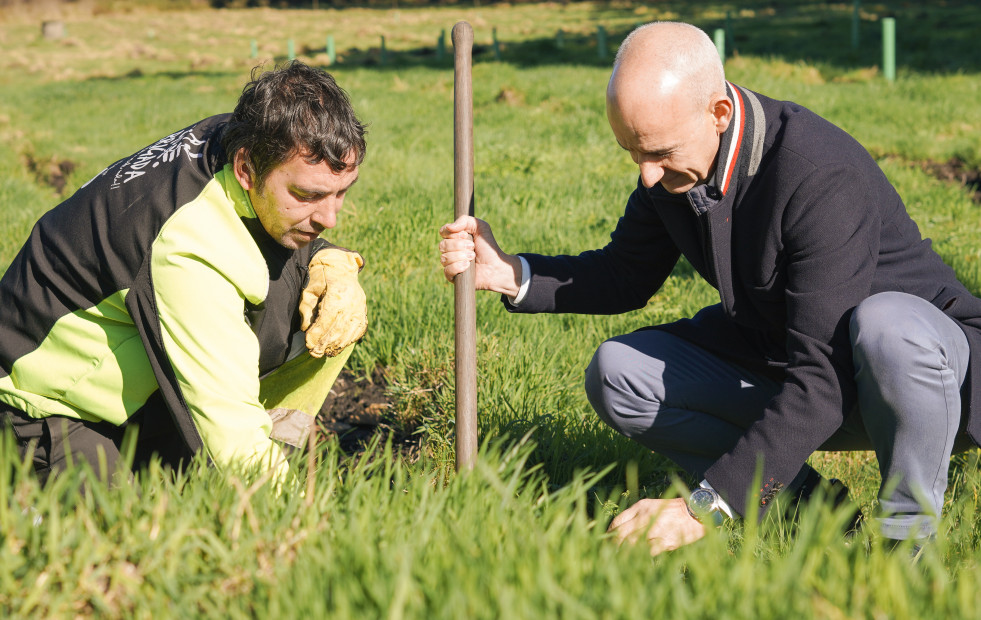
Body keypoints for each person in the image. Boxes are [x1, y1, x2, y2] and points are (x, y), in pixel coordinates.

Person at [438, 21, 981, 555]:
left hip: (923, 383)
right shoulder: (681, 163)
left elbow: (825, 375)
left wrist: (707, 506)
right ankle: (812, 515)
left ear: (718, 114)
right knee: (620, 373)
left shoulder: (818, 175)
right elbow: (626, 272)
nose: (646, 176)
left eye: (658, 153)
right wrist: (509, 272)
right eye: (632, 152)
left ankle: (905, 547)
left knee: (887, 325)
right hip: (801, 363)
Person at [0, 60, 369, 488]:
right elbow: (230, 433)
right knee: (128, 537)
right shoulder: (189, 247)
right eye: (308, 195)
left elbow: (291, 235)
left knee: (332, 306)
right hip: (44, 410)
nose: (330, 216)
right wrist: (299, 519)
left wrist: (332, 258)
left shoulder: (244, 135)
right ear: (246, 169)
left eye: (343, 192)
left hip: (133, 374)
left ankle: (266, 448)